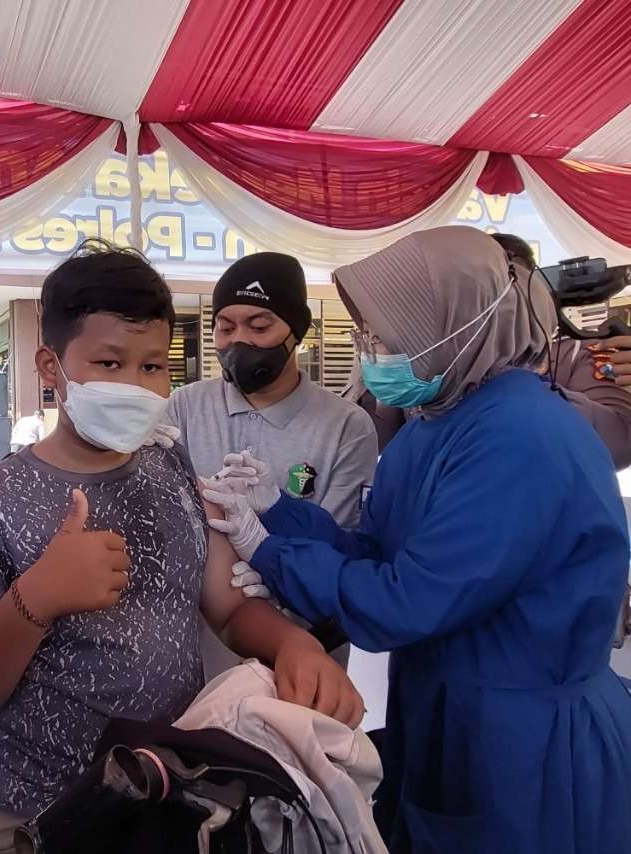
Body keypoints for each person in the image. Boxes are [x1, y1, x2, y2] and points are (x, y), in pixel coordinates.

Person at [0, 242, 363, 853]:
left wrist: (294, 646)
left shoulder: (169, 464)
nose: (135, 384)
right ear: (51, 368)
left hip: (170, 795)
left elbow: (228, 604)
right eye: (109, 363)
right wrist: (35, 600)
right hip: (38, 815)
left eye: (153, 367)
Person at [205, 226, 631, 854]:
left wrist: (268, 550)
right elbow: (382, 550)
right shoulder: (435, 420)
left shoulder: (520, 436)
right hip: (446, 712)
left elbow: (407, 599)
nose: (369, 349)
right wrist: (278, 513)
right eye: (366, 334)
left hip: (525, 740)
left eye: (383, 336)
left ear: (452, 329)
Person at [167, 252, 377, 676]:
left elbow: (345, 546)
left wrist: (275, 564)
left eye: (259, 326)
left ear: (295, 332)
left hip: (304, 659)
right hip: (198, 656)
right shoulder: (184, 407)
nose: (239, 340)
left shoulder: (346, 426)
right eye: (225, 328)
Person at [351, 232, 631, 466]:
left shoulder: (576, 353)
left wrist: (507, 383)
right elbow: (373, 441)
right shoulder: (435, 359)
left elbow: (615, 449)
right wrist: (377, 361)